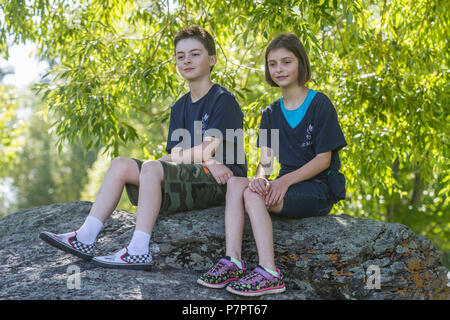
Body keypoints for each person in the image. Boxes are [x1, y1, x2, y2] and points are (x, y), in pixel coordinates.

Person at [40, 26, 247, 271]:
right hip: (197, 175)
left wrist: (203, 160)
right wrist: (196, 159)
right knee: (121, 164)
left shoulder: (222, 99)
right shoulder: (179, 107)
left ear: (211, 59)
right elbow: (174, 156)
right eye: (180, 56)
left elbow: (205, 150)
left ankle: (138, 249)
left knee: (152, 167)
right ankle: (85, 237)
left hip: (222, 181)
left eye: (195, 54)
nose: (187, 61)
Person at [197, 33, 347, 296]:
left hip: (317, 188)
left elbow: (323, 160)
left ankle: (270, 272)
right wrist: (261, 177)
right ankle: (233, 261)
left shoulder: (320, 104)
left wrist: (283, 181)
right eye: (273, 63)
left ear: (300, 63)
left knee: (253, 196)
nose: (279, 69)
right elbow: (265, 163)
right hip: (283, 185)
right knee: (236, 183)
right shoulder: (270, 113)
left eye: (286, 62)